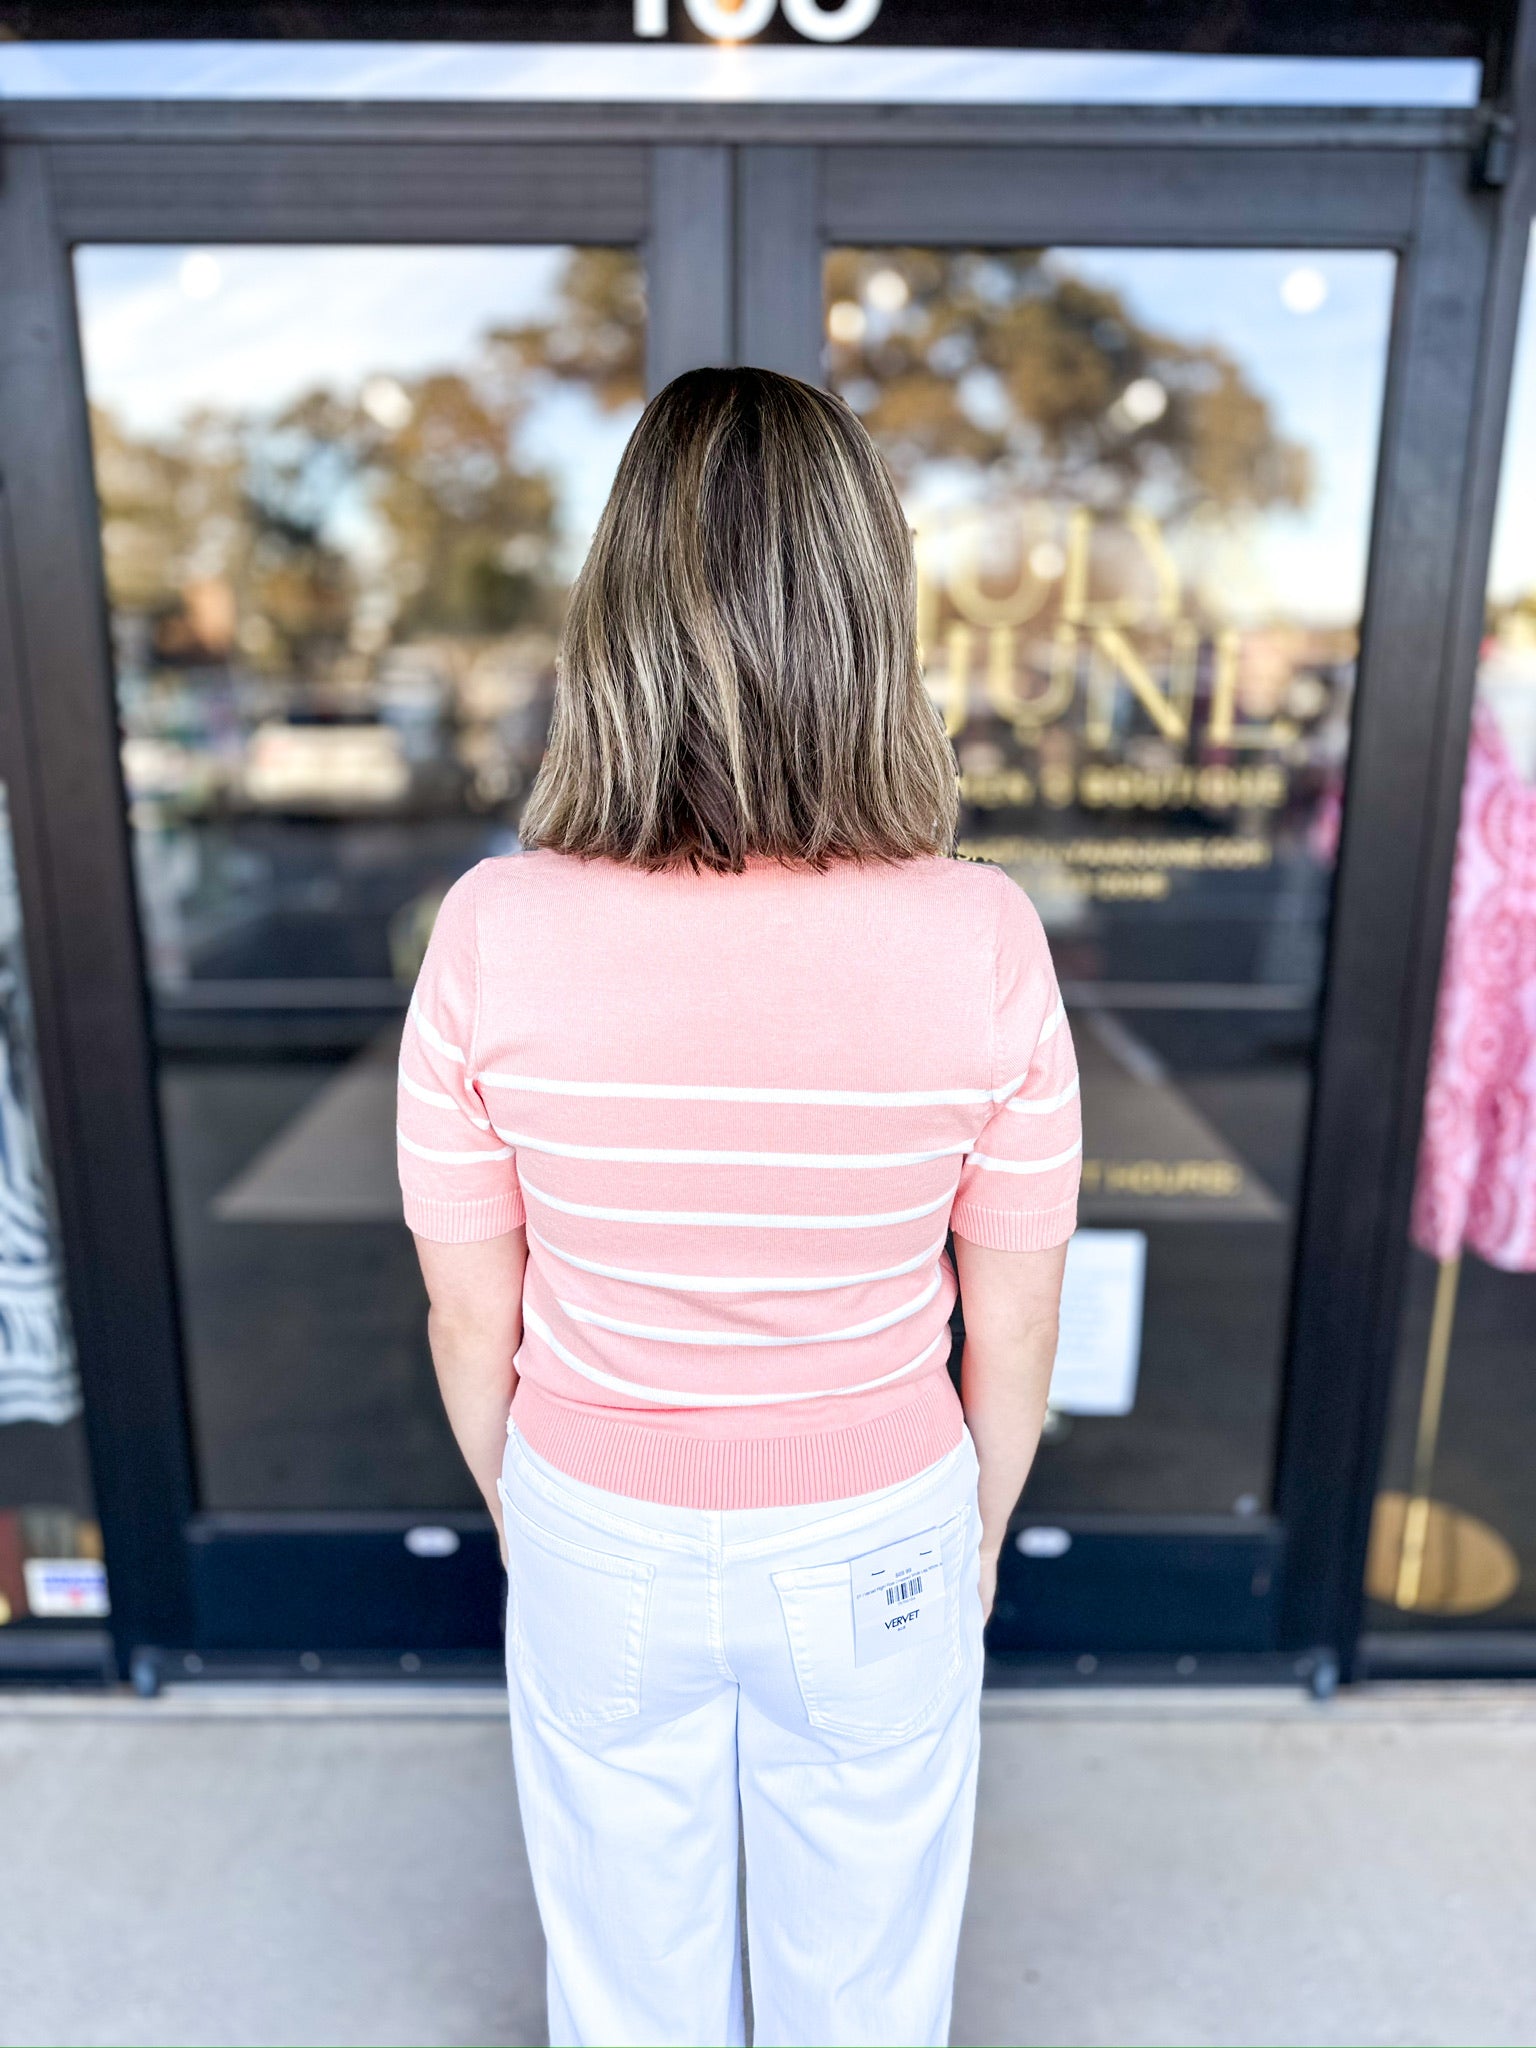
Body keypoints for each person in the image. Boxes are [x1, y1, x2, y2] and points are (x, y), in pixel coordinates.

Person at [397, 366, 1079, 2048]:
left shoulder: (493, 928)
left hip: (592, 1514)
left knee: (625, 1989)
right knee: (871, 1988)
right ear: (871, 616)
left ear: (613, 614)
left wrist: (545, 1514)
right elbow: (1015, 1323)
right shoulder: (983, 935)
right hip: (879, 1529)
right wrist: (970, 1536)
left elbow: (471, 1317)